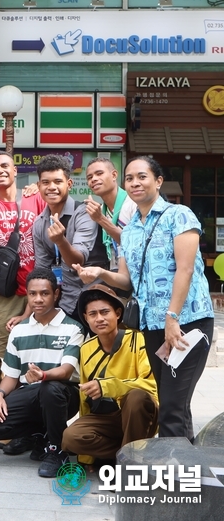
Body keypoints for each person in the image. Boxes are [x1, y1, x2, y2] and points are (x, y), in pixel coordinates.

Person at [74, 156, 214, 441]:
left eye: (142, 176)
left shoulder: (179, 215)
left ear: (158, 181)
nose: (135, 183)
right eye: (130, 178)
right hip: (152, 326)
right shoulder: (130, 232)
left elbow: (185, 269)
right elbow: (126, 281)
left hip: (188, 321)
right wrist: (100, 272)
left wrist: (172, 318)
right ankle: (184, 466)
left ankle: (170, 472)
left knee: (173, 406)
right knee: (172, 401)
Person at [0, 268, 84, 478]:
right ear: (27, 296)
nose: (38, 299)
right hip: (32, 393)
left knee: (50, 389)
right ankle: (38, 434)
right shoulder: (19, 330)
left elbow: (66, 371)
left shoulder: (73, 328)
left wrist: (43, 375)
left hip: (64, 395)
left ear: (56, 294)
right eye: (32, 294)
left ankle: (57, 450)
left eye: (45, 293)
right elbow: (10, 376)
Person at [62, 284, 158, 468]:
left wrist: (107, 386)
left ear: (118, 313)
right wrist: (85, 459)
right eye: (93, 314)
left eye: (105, 312)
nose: (99, 318)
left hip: (138, 414)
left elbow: (150, 386)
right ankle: (127, 452)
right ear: (85, 318)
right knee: (70, 438)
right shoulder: (86, 348)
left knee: (136, 397)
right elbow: (85, 400)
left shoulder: (138, 340)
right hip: (109, 419)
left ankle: (129, 467)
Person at [0, 151, 47, 360]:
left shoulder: (35, 197)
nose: (0, 171)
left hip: (39, 285)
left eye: (4, 166)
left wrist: (38, 187)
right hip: (7, 291)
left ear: (15, 170)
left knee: (41, 349)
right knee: (8, 351)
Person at [28, 154, 104, 323]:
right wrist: (28, 315)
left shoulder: (84, 212)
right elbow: (42, 272)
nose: (51, 187)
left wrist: (60, 241)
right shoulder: (40, 223)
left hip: (95, 299)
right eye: (46, 183)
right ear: (39, 186)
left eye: (57, 181)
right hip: (65, 303)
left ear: (69, 184)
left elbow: (78, 260)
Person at [83, 157, 137, 271]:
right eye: (89, 177)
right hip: (117, 273)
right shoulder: (101, 209)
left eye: (99, 173)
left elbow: (132, 243)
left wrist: (101, 219)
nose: (94, 179)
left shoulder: (133, 203)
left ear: (114, 175)